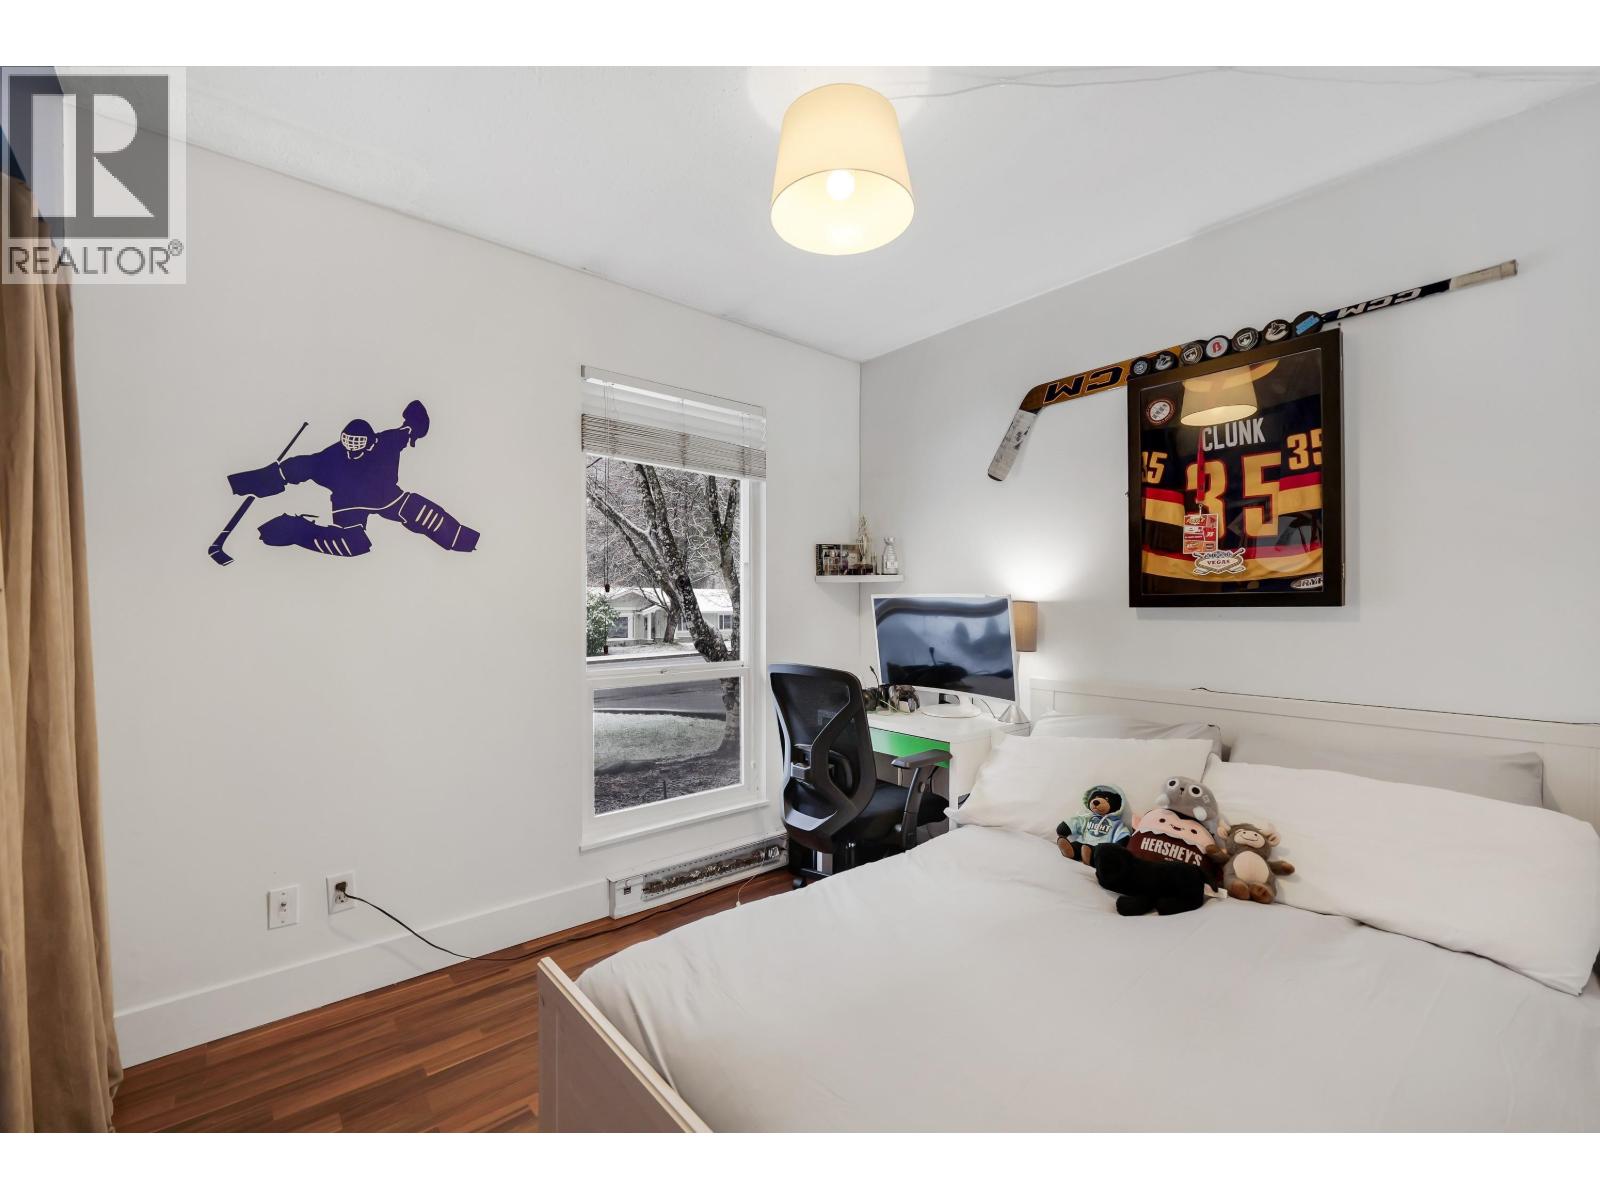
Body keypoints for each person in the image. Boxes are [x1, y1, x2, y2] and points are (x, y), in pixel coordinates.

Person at [226, 400, 479, 557]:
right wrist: (256, 481)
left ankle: (464, 541)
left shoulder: (386, 442)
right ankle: (296, 531)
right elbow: (296, 468)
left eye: (357, 442)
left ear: (370, 441)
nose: (351, 448)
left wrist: (415, 419)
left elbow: (409, 429)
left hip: (387, 497)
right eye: (348, 441)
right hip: (348, 504)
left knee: (423, 513)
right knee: (353, 544)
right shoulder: (332, 457)